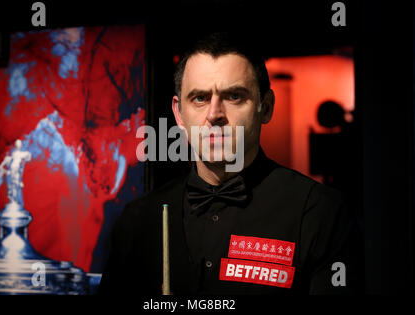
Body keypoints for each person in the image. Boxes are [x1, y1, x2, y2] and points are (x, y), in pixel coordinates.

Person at [98, 32, 363, 295]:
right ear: (179, 113)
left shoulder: (320, 212)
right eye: (200, 98)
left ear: (266, 107)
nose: (214, 115)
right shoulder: (138, 220)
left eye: (234, 96)